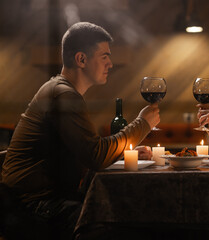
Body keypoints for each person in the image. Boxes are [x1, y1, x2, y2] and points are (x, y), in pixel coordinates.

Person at [1, 22, 159, 240]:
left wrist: (122, 152)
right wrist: (142, 123)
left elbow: (86, 150)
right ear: (81, 59)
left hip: (34, 202)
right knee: (118, 223)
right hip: (34, 208)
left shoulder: (60, 90)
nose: (110, 64)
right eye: (104, 56)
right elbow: (95, 155)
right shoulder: (63, 94)